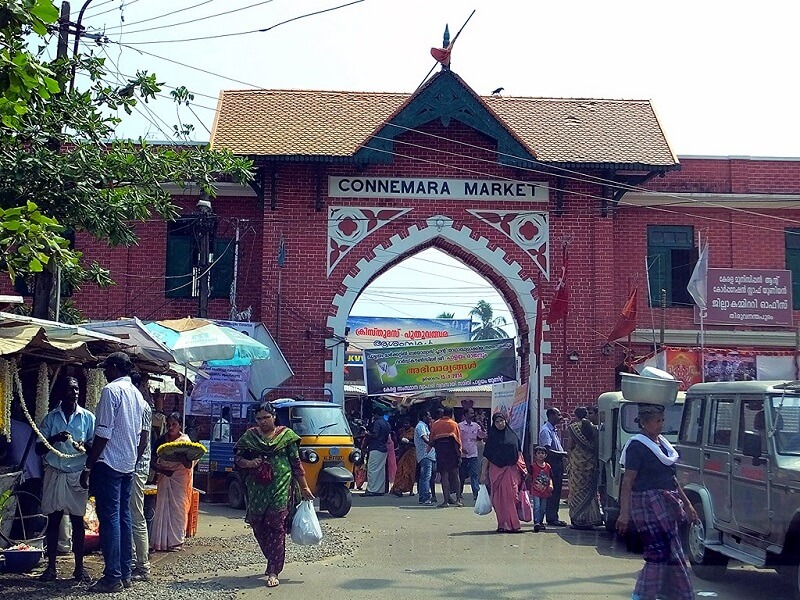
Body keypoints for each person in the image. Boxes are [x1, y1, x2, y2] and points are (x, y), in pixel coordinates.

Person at [81, 352, 148, 594]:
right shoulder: (137, 395)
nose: (105, 372)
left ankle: (112, 577)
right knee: (123, 518)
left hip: (109, 463)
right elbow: (142, 435)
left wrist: (89, 465)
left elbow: (103, 433)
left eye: (107, 368)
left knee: (110, 521)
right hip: (127, 464)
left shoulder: (112, 391)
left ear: (116, 368)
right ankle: (125, 572)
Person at [617, 403, 698, 600]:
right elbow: (628, 481)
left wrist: (687, 505)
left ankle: (671, 594)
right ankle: (642, 595)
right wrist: (624, 513)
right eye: (656, 421)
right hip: (646, 504)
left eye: (662, 420)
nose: (660, 425)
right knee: (657, 554)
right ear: (644, 423)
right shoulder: (637, 446)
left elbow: (672, 479)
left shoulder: (663, 446)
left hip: (667, 502)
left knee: (671, 553)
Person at [234, 401, 313, 588]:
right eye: (259, 418)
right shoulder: (250, 437)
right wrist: (249, 463)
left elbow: (296, 464)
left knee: (276, 526)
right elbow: (237, 458)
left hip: (280, 487)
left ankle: (273, 570)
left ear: (274, 417)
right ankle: (272, 557)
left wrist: (304, 487)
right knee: (257, 524)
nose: (263, 421)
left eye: (266, 417)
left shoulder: (286, 436)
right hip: (256, 489)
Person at [37, 376, 95, 582]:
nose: (75, 393)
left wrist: (83, 446)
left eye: (77, 389)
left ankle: (79, 569)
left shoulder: (88, 418)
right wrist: (54, 438)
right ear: (62, 393)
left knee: (77, 522)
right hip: (55, 473)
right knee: (53, 520)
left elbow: (95, 448)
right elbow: (38, 448)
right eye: (71, 389)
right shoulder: (51, 418)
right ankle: (51, 568)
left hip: (77, 475)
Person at [150, 412, 193, 552]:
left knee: (178, 509)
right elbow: (152, 459)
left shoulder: (185, 441)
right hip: (164, 477)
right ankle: (160, 542)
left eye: (174, 424)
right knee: (162, 507)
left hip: (180, 479)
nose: (171, 427)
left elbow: (188, 464)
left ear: (180, 425)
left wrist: (180, 458)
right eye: (168, 425)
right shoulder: (161, 440)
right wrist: (163, 470)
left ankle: (176, 542)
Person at [480, 413, 523, 533]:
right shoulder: (492, 439)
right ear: (494, 423)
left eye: (502, 421)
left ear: (505, 421)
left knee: (512, 497)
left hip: (511, 470)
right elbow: (486, 457)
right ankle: (502, 524)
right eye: (497, 421)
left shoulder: (513, 436)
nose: (500, 423)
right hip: (496, 471)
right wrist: (483, 474)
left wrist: (524, 469)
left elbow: (519, 453)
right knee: (498, 499)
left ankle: (514, 524)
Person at [129, 372, 152, 581]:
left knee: (136, 515)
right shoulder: (137, 406)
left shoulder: (142, 407)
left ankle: (142, 565)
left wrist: (131, 464)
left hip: (136, 468)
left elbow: (143, 440)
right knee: (131, 515)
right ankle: (133, 561)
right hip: (132, 466)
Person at [566, 407, 602, 529]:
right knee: (590, 491)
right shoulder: (594, 428)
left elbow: (570, 445)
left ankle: (579, 520)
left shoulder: (574, 427)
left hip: (578, 466)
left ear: (576, 415)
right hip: (591, 464)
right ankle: (592, 518)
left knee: (576, 492)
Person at [539, 407, 568, 526]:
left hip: (558, 464)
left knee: (556, 491)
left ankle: (553, 516)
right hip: (552, 464)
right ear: (551, 415)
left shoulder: (553, 430)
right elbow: (547, 450)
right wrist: (564, 454)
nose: (560, 417)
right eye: (558, 415)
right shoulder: (545, 430)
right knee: (553, 491)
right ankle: (551, 518)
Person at [429, 406, 462, 508]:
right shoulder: (454, 424)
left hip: (441, 452)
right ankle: (458, 500)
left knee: (444, 476)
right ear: (451, 413)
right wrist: (459, 455)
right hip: (452, 452)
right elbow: (457, 442)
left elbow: (431, 441)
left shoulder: (436, 424)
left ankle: (445, 501)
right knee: (455, 475)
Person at [458, 408, 486, 502]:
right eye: (470, 413)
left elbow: (483, 435)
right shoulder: (459, 426)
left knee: (474, 474)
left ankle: (476, 494)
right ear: (465, 415)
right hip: (463, 455)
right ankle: (459, 494)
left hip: (473, 454)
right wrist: (461, 448)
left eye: (473, 413)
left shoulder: (476, 426)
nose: (472, 414)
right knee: (461, 475)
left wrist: (481, 425)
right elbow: (457, 439)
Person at [365, 410, 391, 497]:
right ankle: (380, 490)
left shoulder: (377, 423)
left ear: (376, 414)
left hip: (375, 447)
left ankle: (371, 490)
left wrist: (367, 434)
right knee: (380, 470)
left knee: (372, 469)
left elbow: (375, 435)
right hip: (383, 448)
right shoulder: (387, 424)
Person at [413, 411, 436, 505]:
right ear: (424, 417)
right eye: (428, 416)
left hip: (430, 455)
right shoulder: (420, 426)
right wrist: (435, 443)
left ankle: (425, 495)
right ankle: (425, 497)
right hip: (425, 455)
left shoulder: (425, 426)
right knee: (425, 477)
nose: (430, 418)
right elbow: (425, 439)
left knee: (428, 477)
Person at [390, 418, 417, 496]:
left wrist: (408, 442)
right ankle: (399, 488)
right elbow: (398, 441)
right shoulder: (401, 431)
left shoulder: (414, 431)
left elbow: (415, 443)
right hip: (402, 452)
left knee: (410, 471)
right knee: (401, 471)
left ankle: (410, 490)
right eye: (404, 423)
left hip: (411, 452)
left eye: (407, 423)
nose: (406, 425)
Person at [529, 445, 553, 532]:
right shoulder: (533, 466)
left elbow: (550, 477)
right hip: (535, 490)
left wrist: (551, 485)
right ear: (535, 455)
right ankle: (536, 522)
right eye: (538, 453)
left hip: (545, 491)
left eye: (542, 453)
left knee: (543, 507)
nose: (541, 455)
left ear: (546, 455)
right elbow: (529, 476)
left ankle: (541, 521)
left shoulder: (548, 466)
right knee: (537, 506)